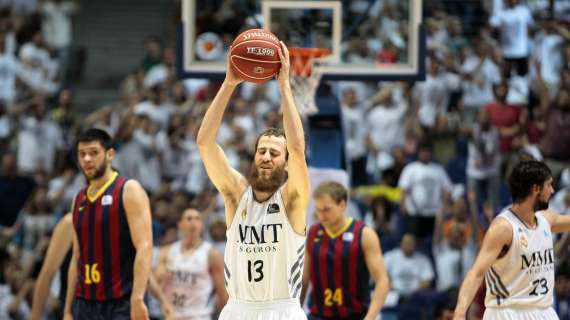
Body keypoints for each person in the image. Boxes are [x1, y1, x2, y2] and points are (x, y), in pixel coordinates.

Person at [196, 42, 310, 319]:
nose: (267, 157)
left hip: (282, 310)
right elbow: (205, 143)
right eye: (262, 151)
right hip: (237, 310)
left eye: (274, 153)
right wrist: (228, 84)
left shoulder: (292, 199)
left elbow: (297, 150)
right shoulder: (236, 195)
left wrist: (284, 87)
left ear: (285, 165)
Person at [454, 160, 566, 319]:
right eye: (549, 185)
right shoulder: (503, 228)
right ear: (535, 189)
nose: (553, 190)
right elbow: (476, 273)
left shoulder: (546, 219)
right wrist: (460, 310)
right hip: (508, 311)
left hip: (544, 311)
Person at [63, 128, 153, 320]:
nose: (87, 159)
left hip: (120, 302)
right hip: (84, 303)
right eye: (82, 154)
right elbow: (76, 257)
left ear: (110, 154)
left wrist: (138, 298)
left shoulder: (128, 189)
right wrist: (68, 309)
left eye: (93, 153)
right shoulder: (78, 199)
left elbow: (145, 247)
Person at [300, 181, 390, 320]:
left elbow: (382, 281)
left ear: (342, 205)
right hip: (317, 315)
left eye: (326, 209)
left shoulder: (364, 234)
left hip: (354, 315)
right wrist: (295, 311)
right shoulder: (313, 233)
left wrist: (370, 318)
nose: (321, 215)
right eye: (318, 210)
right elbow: (304, 280)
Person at [154, 208, 228, 319]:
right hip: (172, 316)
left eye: (197, 219)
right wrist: (161, 279)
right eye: (189, 219)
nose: (193, 222)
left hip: (199, 316)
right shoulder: (167, 251)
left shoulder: (212, 254)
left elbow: (222, 293)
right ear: (180, 224)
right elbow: (154, 284)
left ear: (202, 225)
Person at [31, 213, 72, 320]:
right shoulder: (70, 223)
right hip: (72, 307)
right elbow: (47, 274)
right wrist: (35, 317)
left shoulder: (117, 222)